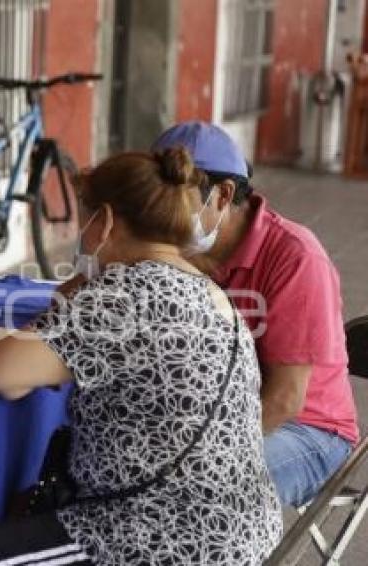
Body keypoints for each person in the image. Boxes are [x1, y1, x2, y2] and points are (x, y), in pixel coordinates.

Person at [0, 149, 281, 565]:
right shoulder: (203, 287)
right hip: (237, 529)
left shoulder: (124, 296)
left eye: (87, 219)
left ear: (106, 222)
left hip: (153, 536)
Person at [152, 122, 358, 508]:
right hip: (214, 411)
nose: (160, 214)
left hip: (307, 430)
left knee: (195, 497)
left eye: (174, 200)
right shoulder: (173, 249)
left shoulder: (296, 258)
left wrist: (197, 452)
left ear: (223, 195)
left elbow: (285, 399)